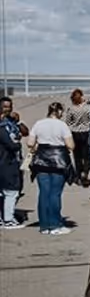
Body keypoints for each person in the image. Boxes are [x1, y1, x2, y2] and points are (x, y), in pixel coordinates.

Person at [29, 102, 76, 235]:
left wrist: (38, 145)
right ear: (59, 111)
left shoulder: (39, 123)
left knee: (44, 193)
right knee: (55, 193)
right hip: (58, 160)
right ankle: (55, 224)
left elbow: (30, 143)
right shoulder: (62, 125)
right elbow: (71, 145)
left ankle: (44, 225)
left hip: (41, 160)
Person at [0, 97, 22, 229]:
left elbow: (24, 131)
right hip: (6, 161)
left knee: (4, 191)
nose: (8, 109)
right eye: (5, 107)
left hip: (8, 160)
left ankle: (4, 218)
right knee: (11, 191)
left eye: (9, 106)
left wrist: (18, 121)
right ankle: (8, 219)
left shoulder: (10, 122)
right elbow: (11, 144)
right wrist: (17, 144)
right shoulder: (3, 127)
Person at [66, 89, 90, 185]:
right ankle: (85, 172)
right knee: (87, 155)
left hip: (75, 132)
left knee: (77, 156)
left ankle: (78, 175)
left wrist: (74, 125)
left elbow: (68, 121)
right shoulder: (87, 108)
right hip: (86, 132)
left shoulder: (71, 109)